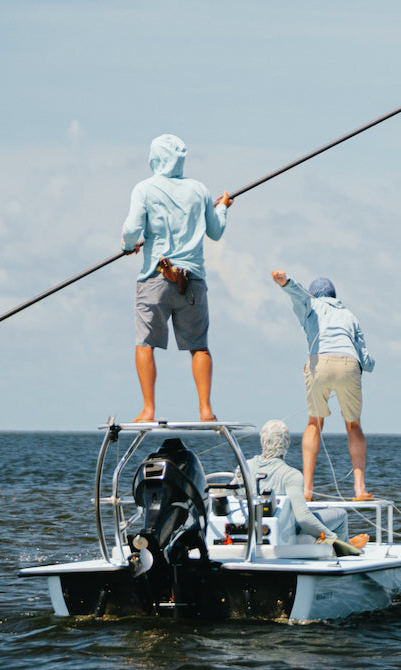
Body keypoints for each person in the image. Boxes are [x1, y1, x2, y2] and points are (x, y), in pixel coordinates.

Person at [121, 134, 233, 422]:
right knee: (199, 345)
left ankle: (148, 410)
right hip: (192, 279)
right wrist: (222, 206)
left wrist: (128, 245)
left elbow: (132, 230)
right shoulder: (199, 189)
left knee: (145, 343)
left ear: (155, 158)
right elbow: (216, 231)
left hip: (156, 276)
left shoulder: (144, 189)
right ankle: (206, 410)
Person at [270, 270, 375, 501]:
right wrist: (369, 365)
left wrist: (286, 283)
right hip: (349, 364)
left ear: (314, 295)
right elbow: (365, 359)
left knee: (314, 423)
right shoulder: (349, 315)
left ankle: (307, 491)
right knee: (354, 425)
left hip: (319, 364)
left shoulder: (311, 306)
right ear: (334, 295)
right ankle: (360, 489)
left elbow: (299, 295)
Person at [239, 420, 368, 554]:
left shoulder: (243, 468)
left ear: (262, 440)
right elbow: (303, 519)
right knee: (341, 514)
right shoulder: (291, 475)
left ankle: (345, 542)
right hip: (287, 530)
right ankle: (345, 546)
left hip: (251, 527)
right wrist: (331, 537)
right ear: (286, 443)